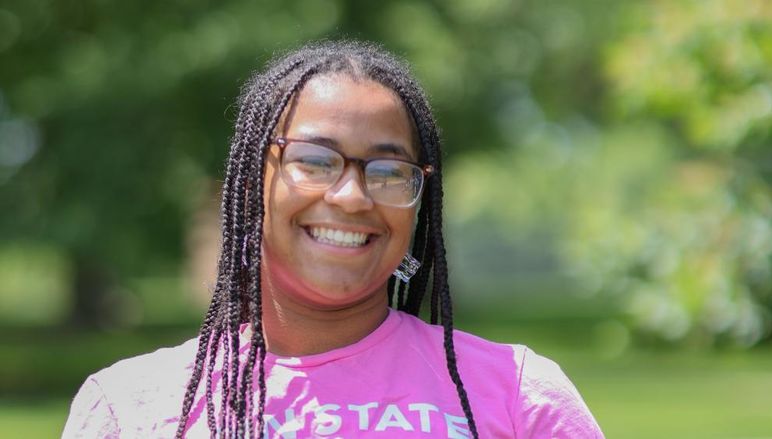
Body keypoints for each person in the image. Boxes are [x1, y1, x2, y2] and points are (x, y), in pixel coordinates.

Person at [62, 40, 604, 439]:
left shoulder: (516, 394)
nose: (351, 197)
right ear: (253, 186)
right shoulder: (131, 407)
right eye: (314, 161)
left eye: (389, 170)